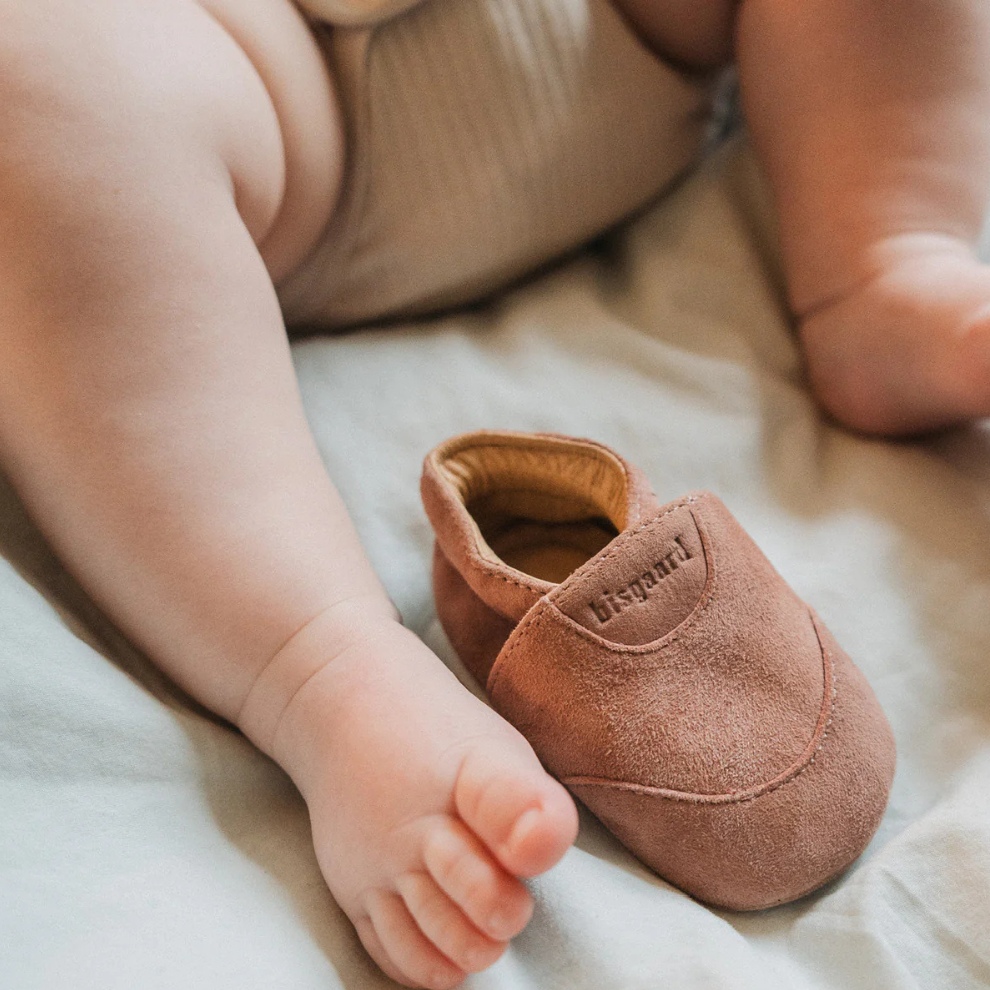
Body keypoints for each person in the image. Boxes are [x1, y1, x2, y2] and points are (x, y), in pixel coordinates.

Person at [0, 0, 987, 986]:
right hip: (269, 96)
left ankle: (886, 248)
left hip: (622, 41)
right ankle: (324, 667)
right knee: (38, 79)